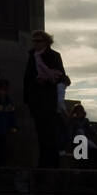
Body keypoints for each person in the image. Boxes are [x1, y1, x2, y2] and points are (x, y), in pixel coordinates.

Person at [23, 30, 69, 169]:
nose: (35, 43)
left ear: (46, 42)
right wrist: (27, 98)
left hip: (48, 100)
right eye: (34, 41)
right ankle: (43, 163)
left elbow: (61, 76)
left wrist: (47, 80)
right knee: (41, 133)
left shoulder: (54, 56)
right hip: (35, 100)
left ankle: (53, 164)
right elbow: (27, 78)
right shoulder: (32, 56)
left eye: (38, 41)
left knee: (50, 132)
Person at [68, 102, 97, 169]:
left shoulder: (86, 120)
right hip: (77, 141)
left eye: (81, 111)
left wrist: (96, 133)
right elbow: (70, 132)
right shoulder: (73, 121)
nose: (79, 113)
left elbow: (90, 129)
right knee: (79, 131)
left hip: (86, 141)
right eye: (78, 111)